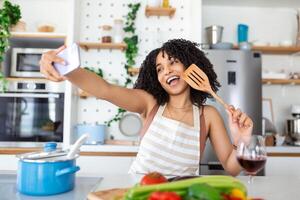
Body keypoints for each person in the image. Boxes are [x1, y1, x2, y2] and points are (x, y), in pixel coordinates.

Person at [40, 39, 253, 176]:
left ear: (190, 66)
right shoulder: (150, 104)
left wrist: (241, 141)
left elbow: (231, 168)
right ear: (156, 78)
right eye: (160, 69)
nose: (166, 71)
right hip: (139, 193)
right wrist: (63, 67)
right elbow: (105, 90)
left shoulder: (209, 115)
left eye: (173, 62)